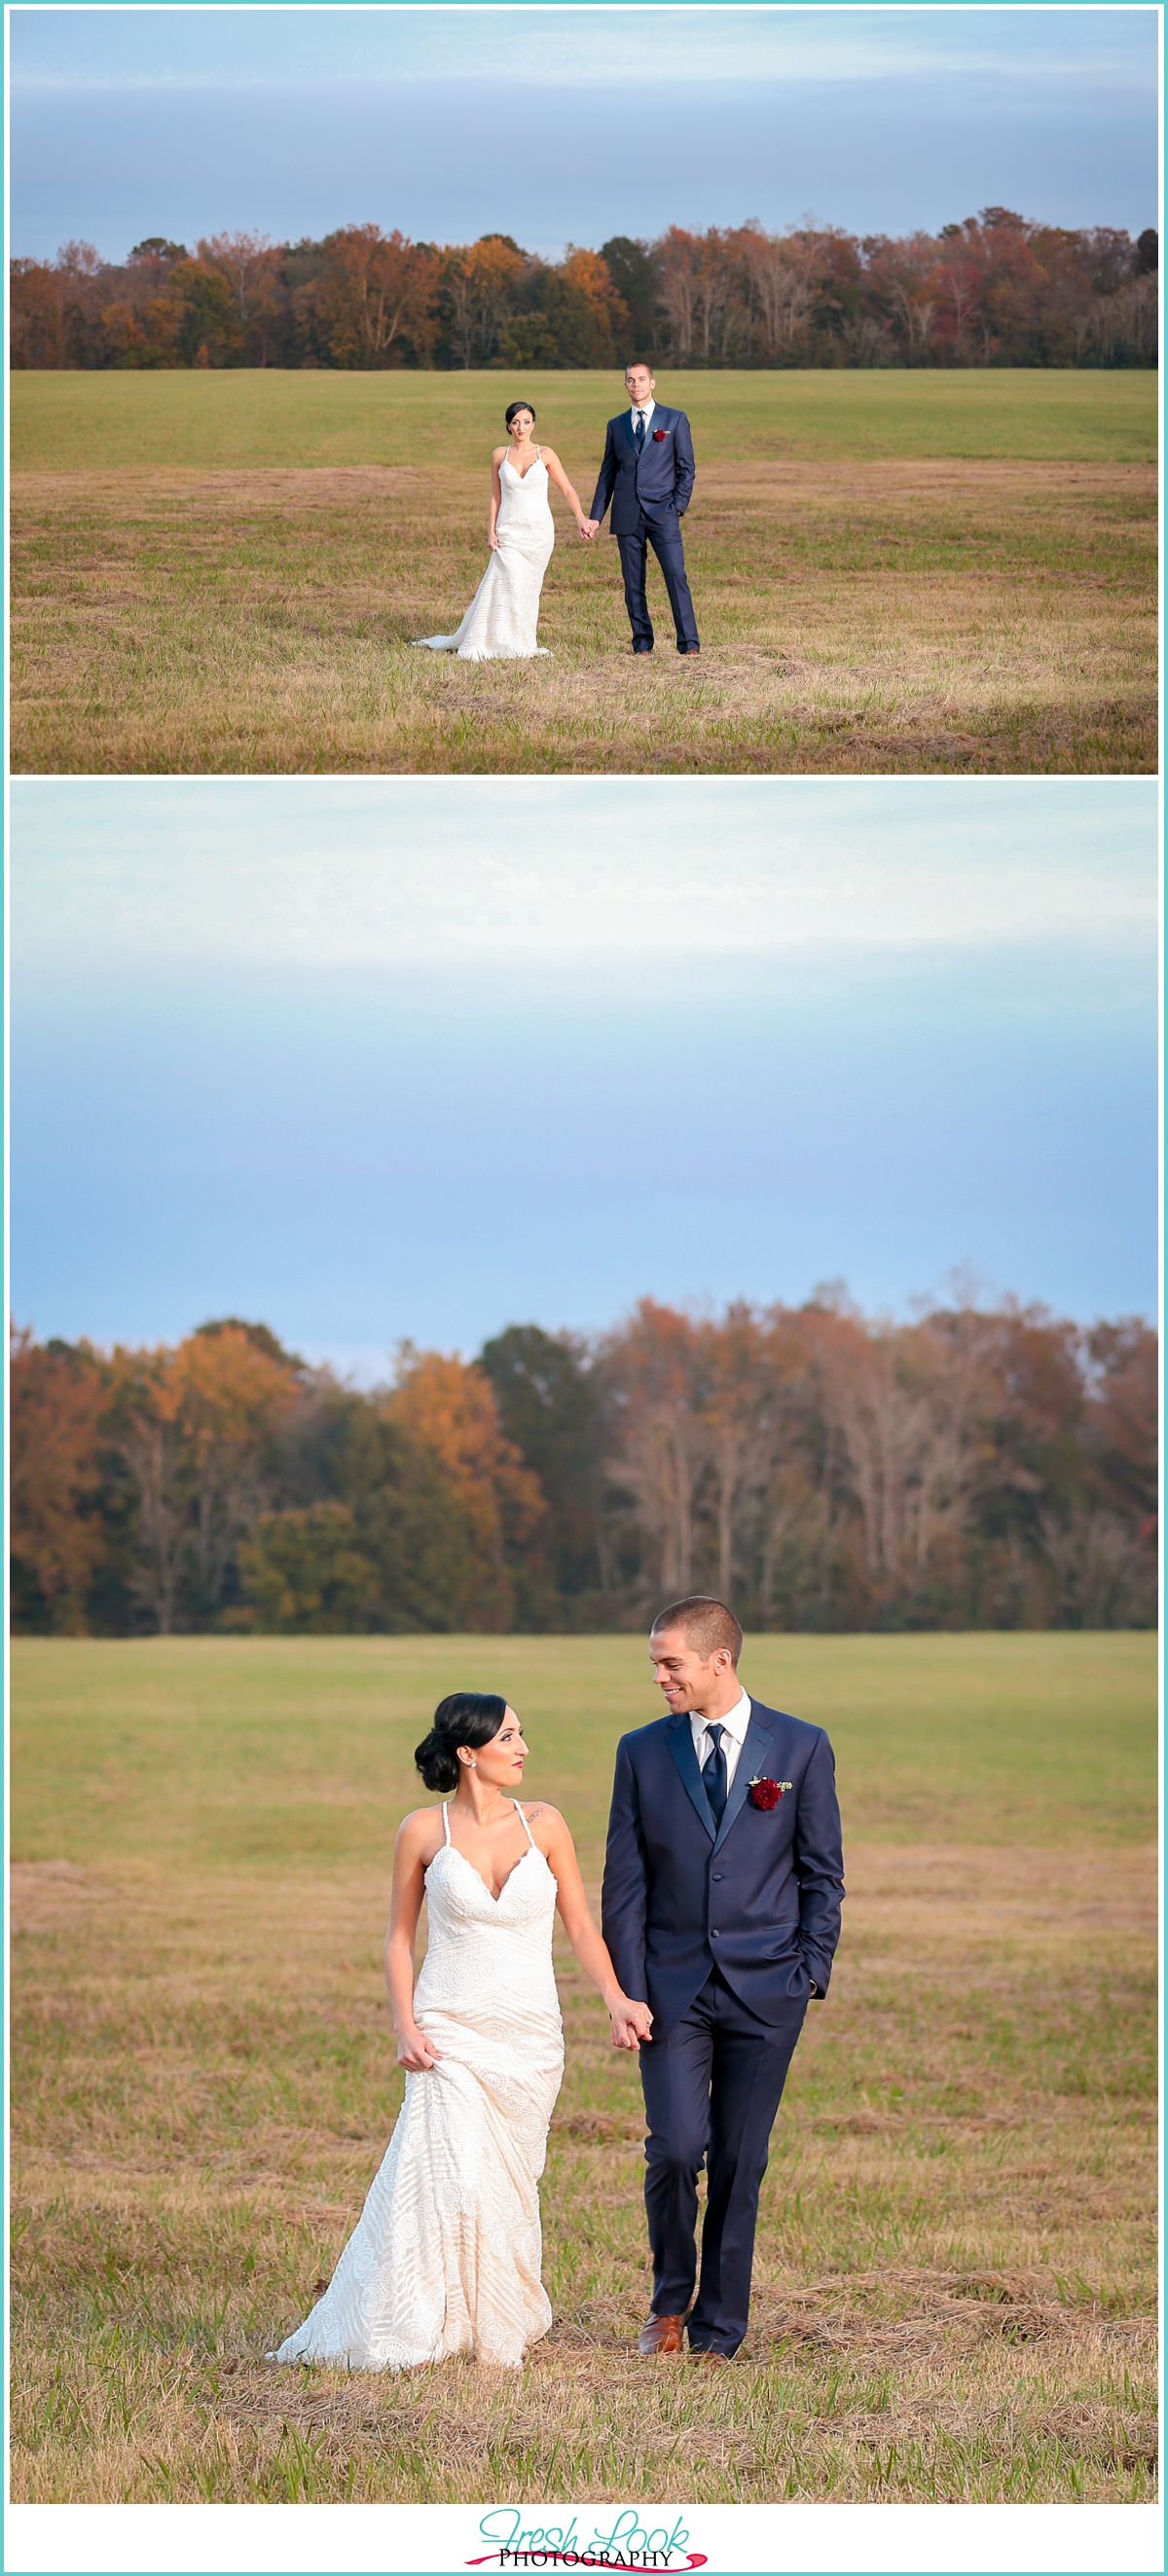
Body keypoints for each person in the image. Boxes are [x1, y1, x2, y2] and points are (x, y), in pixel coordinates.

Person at [274, 1690, 651, 2373]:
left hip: (530, 2036)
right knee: (452, 2174)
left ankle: (494, 2313)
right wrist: (404, 2023)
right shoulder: (423, 1831)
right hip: (448, 2026)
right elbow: (397, 1936)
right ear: (468, 1752)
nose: (524, 1747)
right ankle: (419, 2319)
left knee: (507, 2183)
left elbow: (581, 1927)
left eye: (522, 1733)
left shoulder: (548, 1824)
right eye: (509, 1736)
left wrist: (616, 1996)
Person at [602, 1596, 844, 2363]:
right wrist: (629, 1987)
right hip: (669, 1991)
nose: (660, 1678)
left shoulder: (800, 1747)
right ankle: (669, 2305)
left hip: (768, 1990)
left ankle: (718, 2328)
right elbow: (625, 1883)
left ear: (719, 1661)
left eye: (670, 1663)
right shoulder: (640, 1751)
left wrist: (808, 1971)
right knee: (675, 2149)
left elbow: (822, 1873)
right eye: (656, 1665)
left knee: (742, 2160)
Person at [413, 401, 592, 661]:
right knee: (504, 580)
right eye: (516, 422)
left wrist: (580, 518)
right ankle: (491, 638)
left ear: (534, 424)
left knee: (526, 587)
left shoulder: (546, 454)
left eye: (527, 421)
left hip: (539, 533)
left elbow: (567, 489)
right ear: (508, 425)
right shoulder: (500, 455)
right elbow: (495, 496)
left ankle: (520, 639)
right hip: (509, 530)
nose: (521, 427)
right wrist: (491, 530)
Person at [583, 362, 700, 656]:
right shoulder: (616, 425)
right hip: (627, 515)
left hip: (664, 513)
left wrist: (677, 507)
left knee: (676, 575)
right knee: (633, 582)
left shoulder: (674, 419)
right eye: (631, 380)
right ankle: (642, 644)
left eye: (642, 379)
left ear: (652, 383)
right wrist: (596, 516)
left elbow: (686, 468)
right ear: (625, 386)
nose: (636, 384)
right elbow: (607, 474)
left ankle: (689, 644)